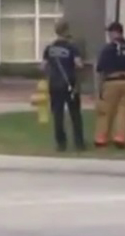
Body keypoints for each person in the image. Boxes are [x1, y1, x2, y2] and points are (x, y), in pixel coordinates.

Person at [42, 20, 85, 152]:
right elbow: (79, 64)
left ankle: (61, 143)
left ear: (56, 31)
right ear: (67, 31)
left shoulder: (49, 49)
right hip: (69, 84)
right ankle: (79, 143)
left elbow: (43, 66)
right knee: (75, 114)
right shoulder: (72, 48)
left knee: (58, 114)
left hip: (54, 84)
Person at [94, 21, 125, 149]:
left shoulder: (108, 49)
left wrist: (99, 88)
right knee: (124, 111)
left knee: (105, 110)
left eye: (110, 32)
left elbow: (101, 70)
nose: (108, 35)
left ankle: (101, 138)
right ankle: (120, 137)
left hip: (111, 81)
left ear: (115, 32)